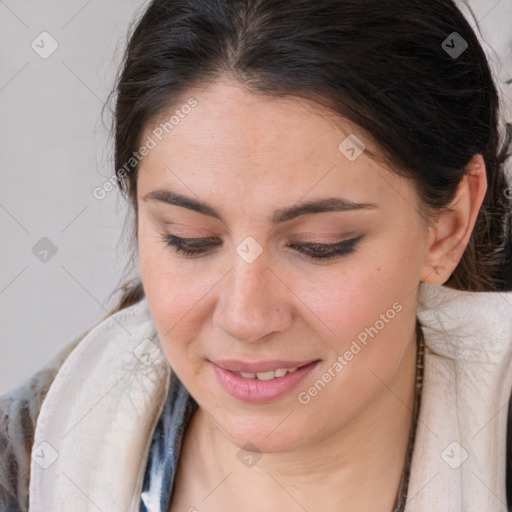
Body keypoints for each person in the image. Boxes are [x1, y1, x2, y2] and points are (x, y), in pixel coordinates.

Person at [1, 0, 512, 511]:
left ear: (448, 228)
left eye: (319, 246)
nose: (245, 318)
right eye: (189, 239)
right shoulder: (31, 463)